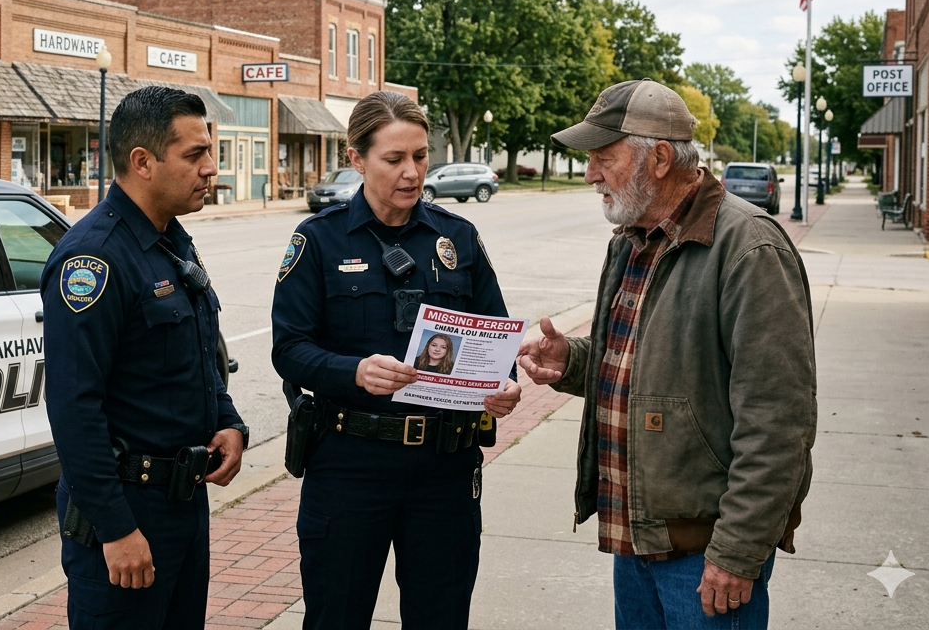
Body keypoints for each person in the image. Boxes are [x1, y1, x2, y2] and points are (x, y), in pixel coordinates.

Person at [518, 79, 816, 630]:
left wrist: (738, 551)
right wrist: (573, 362)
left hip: (707, 553)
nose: (589, 175)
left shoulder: (750, 248)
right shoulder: (630, 239)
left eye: (603, 158)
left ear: (657, 159)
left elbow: (779, 422)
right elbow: (653, 365)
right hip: (636, 536)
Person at [272, 90, 522, 630]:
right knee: (336, 616)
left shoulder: (458, 237)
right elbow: (289, 349)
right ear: (356, 159)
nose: (411, 172)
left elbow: (495, 337)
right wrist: (353, 371)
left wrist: (504, 384)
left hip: (443, 470)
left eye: (420, 156)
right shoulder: (318, 241)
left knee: (441, 618)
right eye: (394, 159)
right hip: (350, 464)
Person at [42, 86, 249, 629]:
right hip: (128, 510)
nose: (211, 168)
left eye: (210, 152)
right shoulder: (95, 258)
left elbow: (198, 350)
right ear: (143, 162)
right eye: (195, 154)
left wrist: (226, 420)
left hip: (183, 503)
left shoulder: (170, 240)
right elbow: (73, 406)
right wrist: (115, 528)